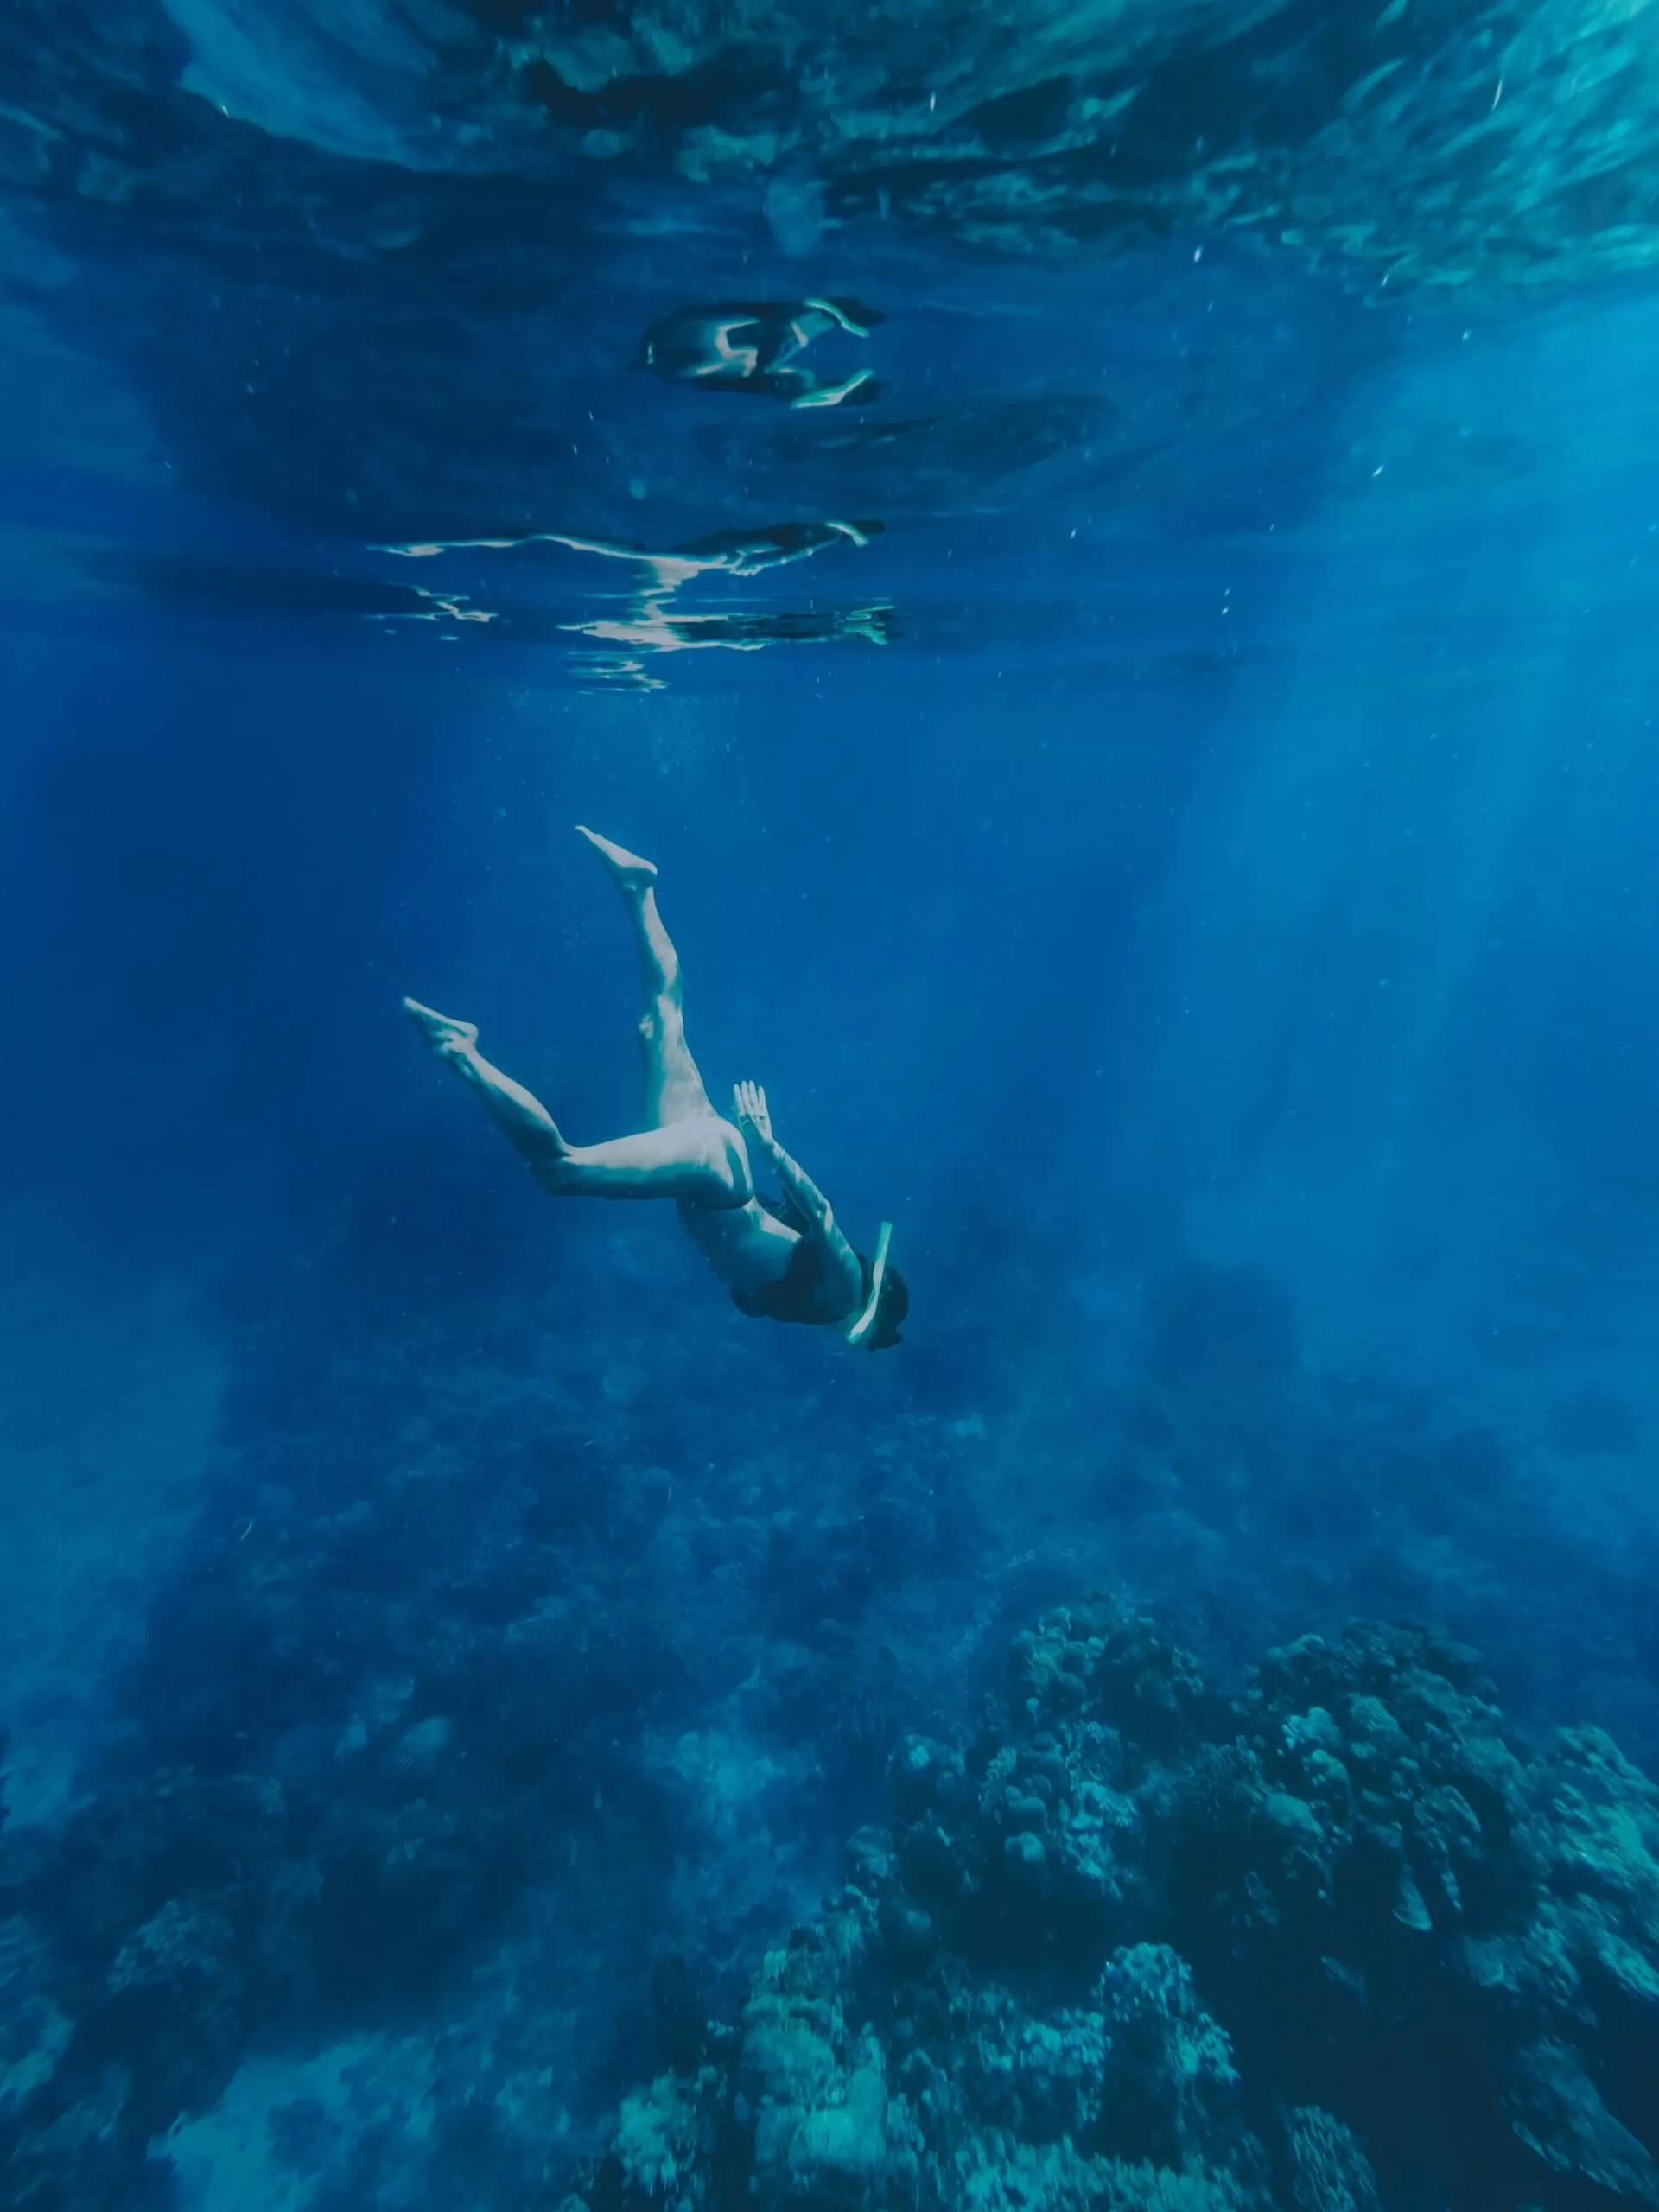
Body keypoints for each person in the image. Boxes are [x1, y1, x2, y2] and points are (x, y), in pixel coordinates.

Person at [404, 827, 908, 1351]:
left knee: (659, 1024)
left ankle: (638, 888)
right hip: (716, 1176)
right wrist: (768, 1145)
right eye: (878, 1337)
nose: (869, 1344)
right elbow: (823, 1214)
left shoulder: (822, 1301)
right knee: (559, 1170)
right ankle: (463, 1051)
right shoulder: (845, 1291)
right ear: (874, 1315)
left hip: (712, 1175)